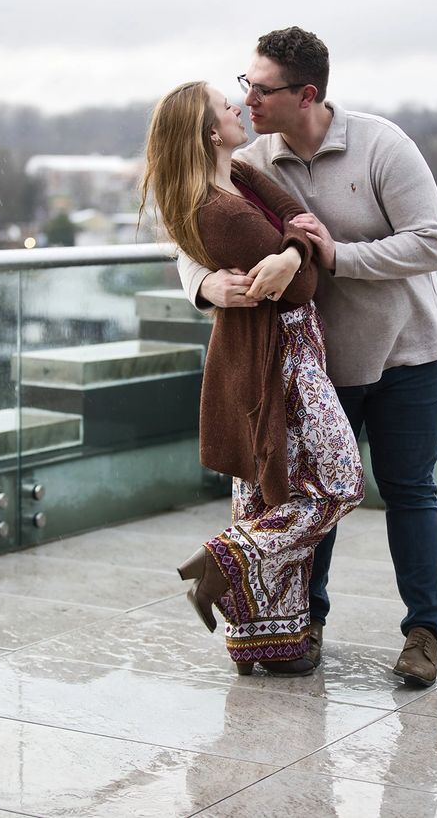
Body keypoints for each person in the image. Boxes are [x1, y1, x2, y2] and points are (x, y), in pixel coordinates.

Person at [178, 27, 437, 688]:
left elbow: (430, 242)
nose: (248, 100)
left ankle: (423, 633)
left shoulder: (381, 145)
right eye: (242, 86)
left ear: (306, 94)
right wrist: (203, 285)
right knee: (306, 496)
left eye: (260, 88)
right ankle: (308, 622)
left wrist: (333, 256)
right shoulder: (256, 160)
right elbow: (191, 223)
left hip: (408, 356)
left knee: (410, 492)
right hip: (314, 368)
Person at [140, 81, 364, 676]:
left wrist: (291, 251)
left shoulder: (237, 177)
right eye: (225, 105)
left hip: (275, 348)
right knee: (338, 484)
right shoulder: (222, 211)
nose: (238, 107)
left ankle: (269, 642)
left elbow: (299, 220)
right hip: (279, 355)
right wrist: (299, 257)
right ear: (210, 131)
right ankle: (227, 557)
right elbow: (307, 284)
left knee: (273, 488)